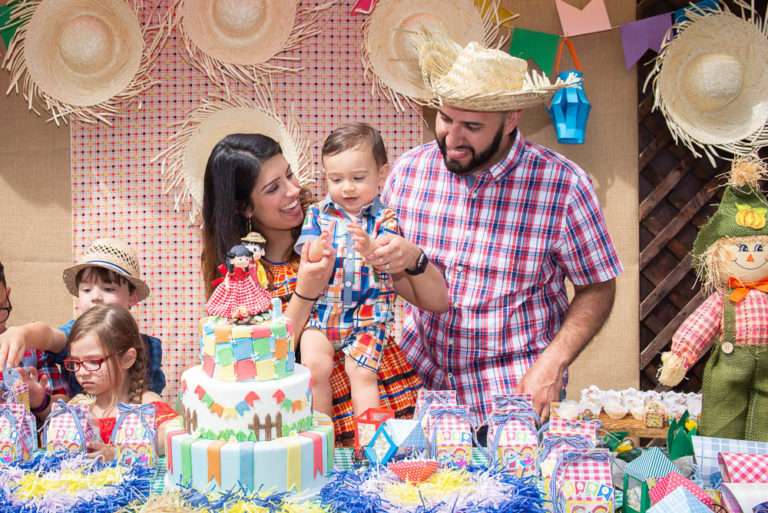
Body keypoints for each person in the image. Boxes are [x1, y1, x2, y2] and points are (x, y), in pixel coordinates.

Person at [374, 31, 623, 432]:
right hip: (416, 383)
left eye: (472, 126)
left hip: (512, 392)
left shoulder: (563, 185)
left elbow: (598, 286)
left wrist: (554, 362)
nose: (452, 139)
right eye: (445, 118)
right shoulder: (408, 172)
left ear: (511, 120)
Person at [201, 132, 424, 445]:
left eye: (289, 174)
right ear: (245, 207)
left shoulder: (335, 219)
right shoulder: (243, 272)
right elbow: (261, 357)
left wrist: (413, 258)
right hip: (316, 420)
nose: (294, 189)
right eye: (273, 187)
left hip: (381, 391)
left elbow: (432, 299)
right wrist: (306, 291)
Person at [296, 123, 448, 418]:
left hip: (368, 317)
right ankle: (321, 438)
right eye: (336, 179)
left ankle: (368, 444)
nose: (347, 187)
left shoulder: (385, 217)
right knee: (314, 367)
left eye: (358, 177)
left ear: (381, 175)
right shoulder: (317, 213)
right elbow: (307, 250)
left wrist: (368, 247)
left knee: (362, 373)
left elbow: (385, 255)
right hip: (324, 313)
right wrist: (318, 249)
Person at [0, 239, 166, 402]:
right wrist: (22, 333)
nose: (95, 297)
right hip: (83, 422)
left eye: (108, 289)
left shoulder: (148, 347)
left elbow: (150, 399)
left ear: (132, 297)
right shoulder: (76, 334)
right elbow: (49, 336)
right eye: (86, 289)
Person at [24, 303, 177, 460]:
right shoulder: (79, 407)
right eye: (75, 363)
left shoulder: (145, 406)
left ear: (127, 359)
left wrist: (120, 453)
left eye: (92, 361)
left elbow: (172, 436)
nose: (82, 372)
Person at [0, 259, 69, 420]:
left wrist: (40, 401)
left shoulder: (29, 348)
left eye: (0, 308)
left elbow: (66, 404)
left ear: (7, 296)